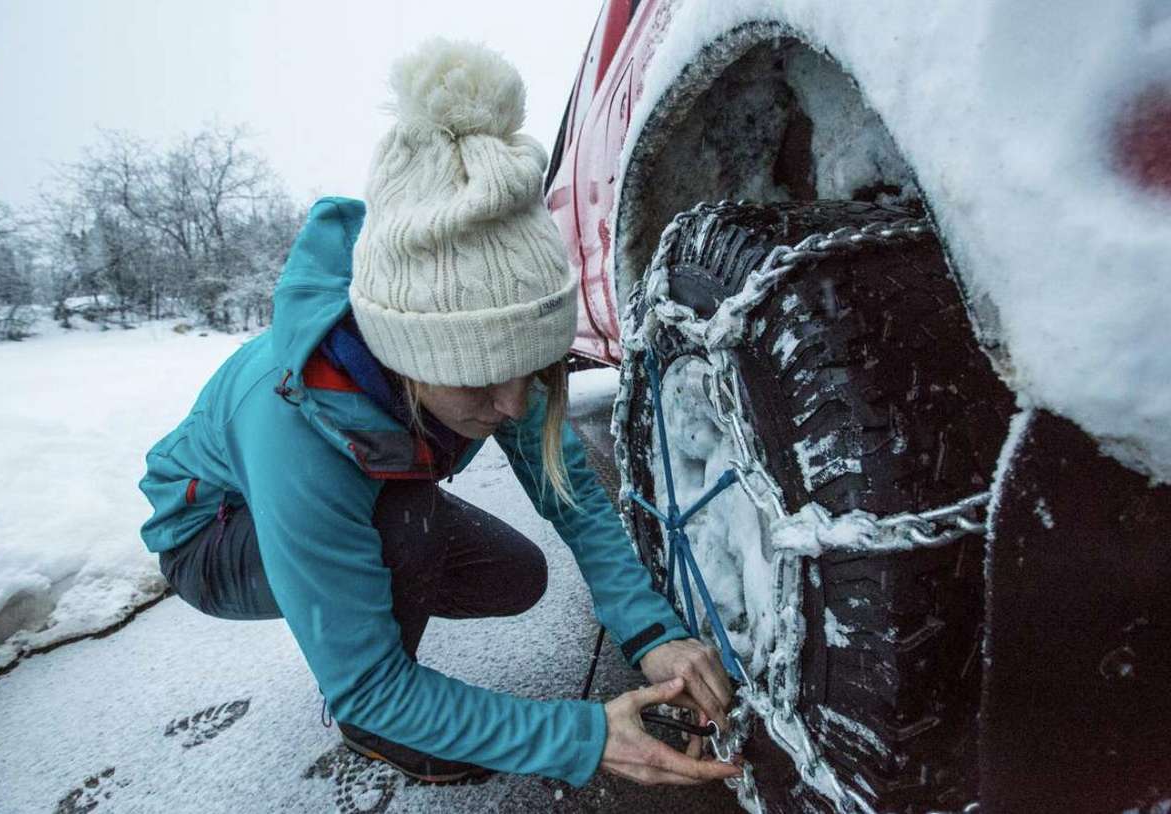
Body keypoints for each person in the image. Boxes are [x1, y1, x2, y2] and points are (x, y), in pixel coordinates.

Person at [137, 39, 741, 789]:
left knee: (516, 577)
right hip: (216, 534)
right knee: (404, 534)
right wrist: (583, 736)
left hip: (348, 496)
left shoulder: (490, 352)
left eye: (535, 371)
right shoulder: (292, 423)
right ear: (405, 357)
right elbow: (375, 679)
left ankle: (369, 608)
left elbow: (574, 498)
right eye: (484, 385)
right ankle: (376, 730)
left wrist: (654, 633)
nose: (515, 404)